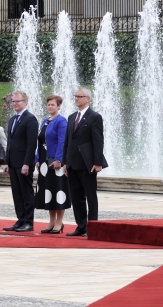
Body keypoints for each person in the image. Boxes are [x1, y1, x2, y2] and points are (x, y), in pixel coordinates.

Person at [63, 87, 108, 237]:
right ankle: (81, 226)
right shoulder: (71, 117)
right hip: (72, 163)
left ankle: (93, 227)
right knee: (76, 197)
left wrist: (97, 162)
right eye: (75, 96)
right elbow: (68, 141)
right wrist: (65, 162)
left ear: (88, 99)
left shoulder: (94, 117)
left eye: (80, 96)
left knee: (90, 195)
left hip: (87, 163)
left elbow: (98, 141)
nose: (76, 99)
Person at [3, 90, 39, 232]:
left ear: (25, 102)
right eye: (13, 101)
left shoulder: (30, 119)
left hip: (24, 162)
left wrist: (26, 163)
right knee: (16, 193)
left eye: (18, 101)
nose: (15, 104)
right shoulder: (12, 120)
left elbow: (32, 144)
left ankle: (28, 222)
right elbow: (10, 142)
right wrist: (7, 162)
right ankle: (20, 219)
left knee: (26, 192)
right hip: (13, 162)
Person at [35, 95, 70, 234]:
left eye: (53, 105)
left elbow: (62, 141)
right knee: (48, 191)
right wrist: (37, 158)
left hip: (55, 161)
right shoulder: (45, 121)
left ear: (59, 106)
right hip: (44, 160)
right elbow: (40, 141)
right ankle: (51, 221)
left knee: (58, 191)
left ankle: (59, 222)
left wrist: (58, 159)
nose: (50, 107)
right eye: (48, 105)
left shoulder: (61, 121)